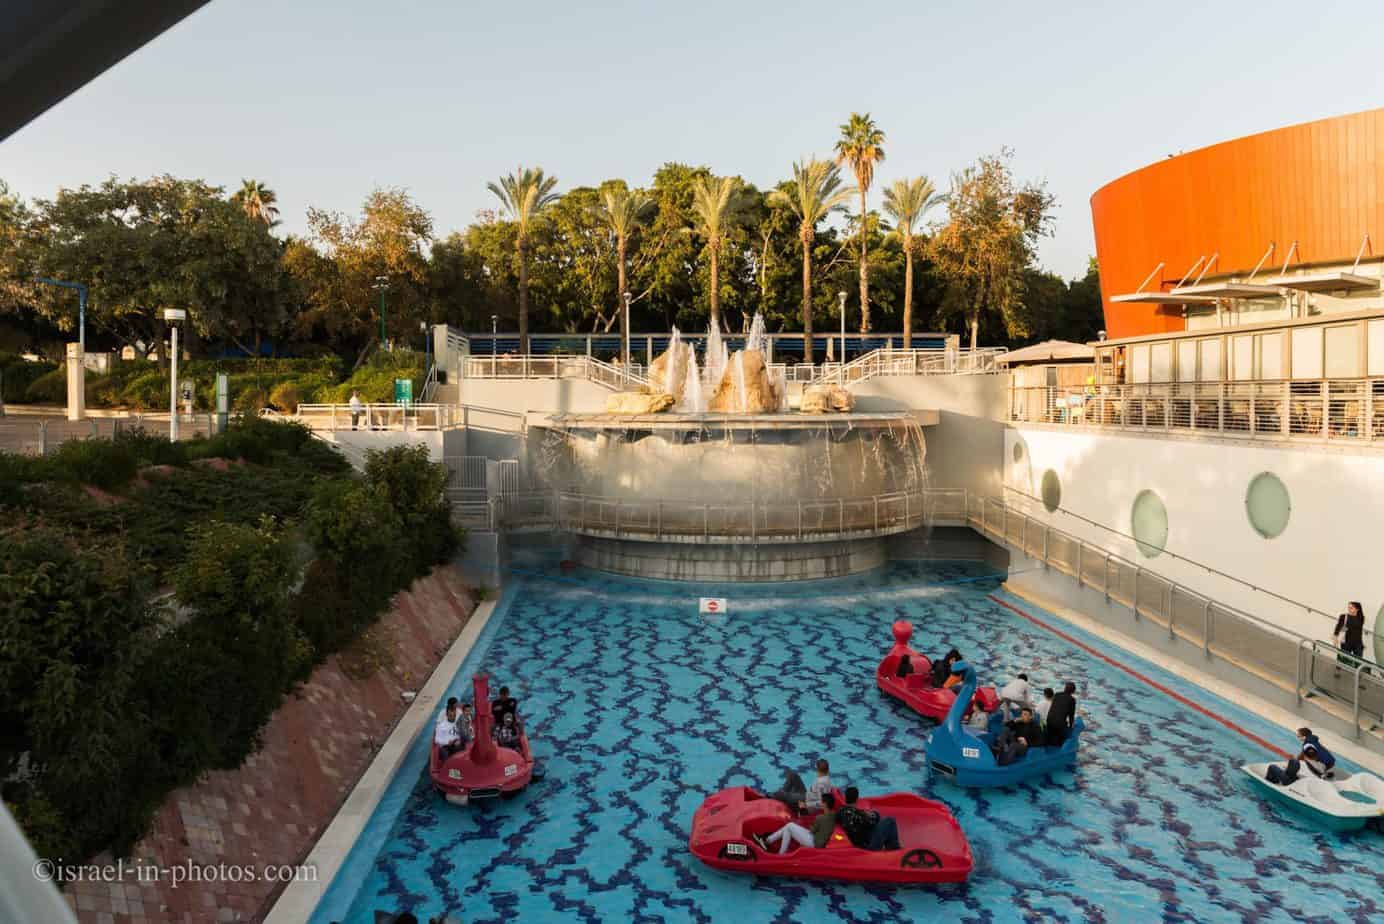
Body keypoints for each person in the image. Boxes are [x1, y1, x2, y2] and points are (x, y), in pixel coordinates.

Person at [753, 792, 839, 854]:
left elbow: (812, 830)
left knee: (790, 826)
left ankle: (771, 845)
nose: (820, 803)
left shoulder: (821, 817)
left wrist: (802, 814)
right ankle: (770, 844)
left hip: (814, 843)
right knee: (788, 827)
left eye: (822, 802)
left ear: (825, 804)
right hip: (819, 841)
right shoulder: (833, 815)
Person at [836, 787, 900, 851]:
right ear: (857, 799)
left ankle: (891, 846)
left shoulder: (841, 811)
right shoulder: (857, 815)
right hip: (867, 846)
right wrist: (871, 814)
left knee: (877, 816)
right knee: (889, 820)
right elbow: (872, 821)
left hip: (858, 839)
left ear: (845, 797)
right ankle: (893, 847)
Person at [1333, 601, 1366, 673]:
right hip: (1346, 642)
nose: (1349, 609)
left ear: (1357, 609)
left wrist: (1362, 643)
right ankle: (1338, 670)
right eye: (1349, 608)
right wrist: (1335, 639)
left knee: (1359, 661)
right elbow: (1338, 628)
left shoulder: (1361, 618)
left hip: (1357, 643)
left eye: (1351, 608)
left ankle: (1358, 676)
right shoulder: (1344, 617)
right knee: (1343, 657)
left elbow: (1359, 631)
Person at [1044, 682, 1077, 746]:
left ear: (1064, 688)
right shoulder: (1072, 700)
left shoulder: (1057, 694)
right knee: (1059, 740)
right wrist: (1071, 727)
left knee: (1050, 735)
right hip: (1059, 725)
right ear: (1073, 691)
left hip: (1049, 721)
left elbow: (1054, 708)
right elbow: (1071, 715)